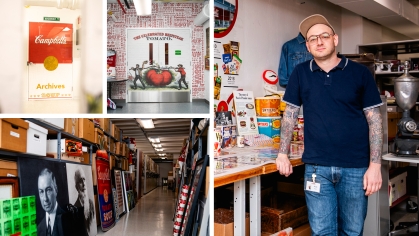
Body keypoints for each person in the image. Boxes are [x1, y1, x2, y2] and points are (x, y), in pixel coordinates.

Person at [276, 14, 383, 235]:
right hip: (317, 168)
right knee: (322, 232)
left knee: (352, 232)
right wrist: (282, 154)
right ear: (307, 45)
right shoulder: (300, 73)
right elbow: (290, 115)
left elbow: (375, 121)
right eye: (312, 38)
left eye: (324, 36)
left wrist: (375, 166)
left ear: (335, 39)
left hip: (356, 167)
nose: (319, 41)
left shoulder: (360, 73)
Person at [37, 168, 64, 236]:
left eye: (48, 190)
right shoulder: (39, 228)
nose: (45, 198)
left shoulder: (68, 221)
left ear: (56, 190)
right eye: (41, 192)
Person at [73, 168, 95, 236]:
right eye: (80, 181)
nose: (83, 184)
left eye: (84, 179)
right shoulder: (75, 208)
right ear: (76, 187)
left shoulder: (91, 203)